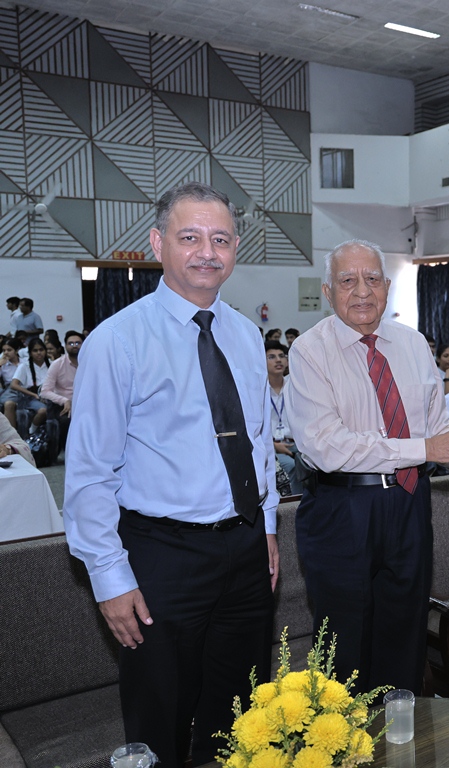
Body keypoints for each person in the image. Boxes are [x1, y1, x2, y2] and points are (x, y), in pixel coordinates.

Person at [63, 182, 279, 768]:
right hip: (162, 554)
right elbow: (89, 472)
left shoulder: (245, 334)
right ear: (159, 245)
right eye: (190, 238)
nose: (207, 252)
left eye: (221, 239)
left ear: (236, 248)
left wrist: (266, 526)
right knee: (161, 714)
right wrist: (109, 577)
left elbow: (258, 443)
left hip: (244, 548)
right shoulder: (118, 340)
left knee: (240, 715)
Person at [285, 239, 449, 696]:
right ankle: (341, 735)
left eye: (373, 279)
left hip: (409, 502)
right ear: (328, 291)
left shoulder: (412, 343)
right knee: (342, 644)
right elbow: (326, 447)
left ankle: (399, 731)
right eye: (348, 280)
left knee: (404, 633)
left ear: (387, 286)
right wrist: (425, 448)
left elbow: (437, 428)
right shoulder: (309, 351)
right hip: (342, 509)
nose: (362, 291)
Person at [266, 339, 302, 495]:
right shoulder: (259, 389)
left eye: (281, 356)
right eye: (271, 357)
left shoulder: (295, 385)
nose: (278, 360)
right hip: (271, 446)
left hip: (296, 443)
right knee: (290, 466)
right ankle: (292, 505)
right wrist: (274, 445)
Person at [40, 330, 82, 451]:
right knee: (67, 420)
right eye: (71, 343)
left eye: (78, 343)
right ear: (65, 346)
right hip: (63, 405)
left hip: (84, 403)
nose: (74, 346)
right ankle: (68, 451)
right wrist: (64, 400)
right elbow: (45, 391)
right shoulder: (57, 364)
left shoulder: (90, 363)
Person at [1, 337, 49, 432]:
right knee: (9, 403)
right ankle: (12, 434)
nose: (6, 353)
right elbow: (13, 385)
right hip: (16, 391)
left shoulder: (49, 364)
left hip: (41, 392)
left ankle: (32, 431)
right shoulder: (22, 365)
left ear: (17, 350)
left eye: (9, 350)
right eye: (4, 350)